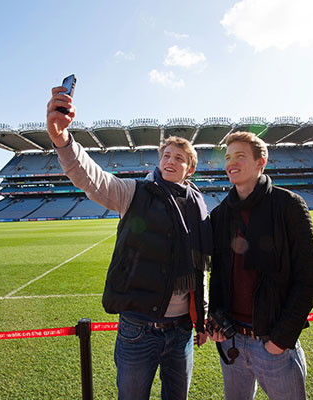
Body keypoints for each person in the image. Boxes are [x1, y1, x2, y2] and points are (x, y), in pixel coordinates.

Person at [46, 86, 211, 400]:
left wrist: (201, 319)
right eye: (166, 155)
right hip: (139, 328)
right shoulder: (135, 192)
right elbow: (91, 178)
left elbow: (202, 267)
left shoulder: (199, 207)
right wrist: (62, 140)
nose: (170, 161)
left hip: (181, 330)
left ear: (189, 169)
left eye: (179, 158)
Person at [208, 131, 313, 400]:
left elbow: (308, 281)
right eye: (227, 157)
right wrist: (215, 318)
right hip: (232, 340)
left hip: (273, 343)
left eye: (240, 156)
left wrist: (279, 341)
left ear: (261, 162)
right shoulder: (219, 215)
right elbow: (214, 277)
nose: (231, 162)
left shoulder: (289, 206)